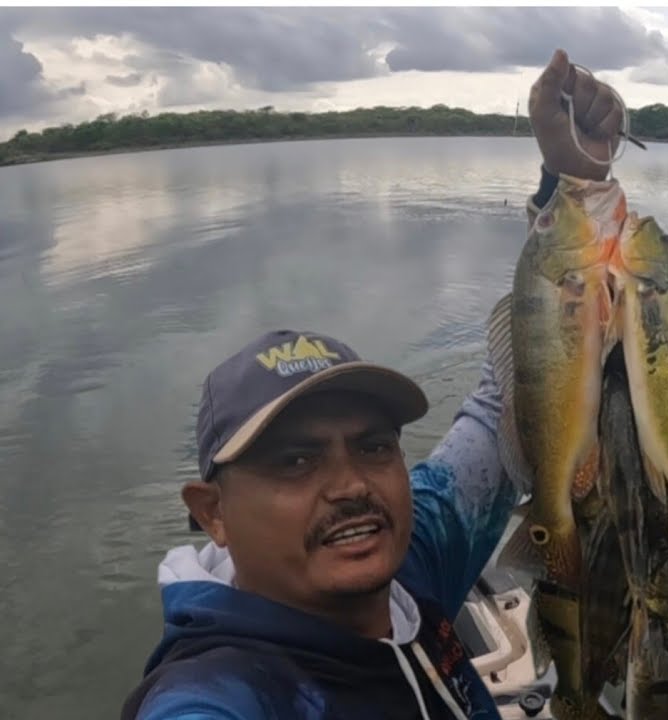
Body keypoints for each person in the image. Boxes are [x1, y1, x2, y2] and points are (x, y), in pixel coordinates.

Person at [120, 48, 627, 720]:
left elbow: (521, 396)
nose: (351, 484)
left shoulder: (409, 562)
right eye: (295, 461)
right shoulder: (221, 694)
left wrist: (572, 183)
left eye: (373, 446)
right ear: (213, 512)